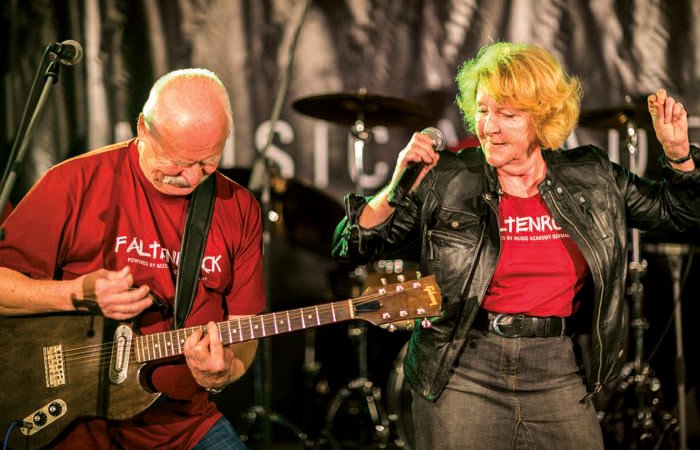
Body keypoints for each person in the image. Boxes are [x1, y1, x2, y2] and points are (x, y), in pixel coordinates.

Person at [332, 41, 700, 449]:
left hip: (557, 371)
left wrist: (679, 155)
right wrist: (396, 184)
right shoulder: (448, 178)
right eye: (484, 110)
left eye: (507, 115)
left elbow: (683, 214)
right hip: (463, 370)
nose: (489, 127)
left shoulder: (592, 175)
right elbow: (353, 244)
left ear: (542, 118)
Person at [0, 68, 264, 449]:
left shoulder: (237, 207)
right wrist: (76, 293)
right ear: (143, 127)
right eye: (175, 161)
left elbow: (245, 328)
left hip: (183, 424)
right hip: (76, 420)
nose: (189, 177)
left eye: (207, 163)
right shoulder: (73, 183)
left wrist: (227, 370)